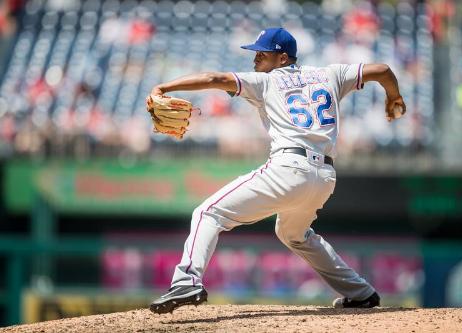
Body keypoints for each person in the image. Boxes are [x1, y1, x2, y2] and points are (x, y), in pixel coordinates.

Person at [148, 27, 406, 314]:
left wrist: (164, 88)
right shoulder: (330, 74)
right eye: (255, 52)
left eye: (263, 53)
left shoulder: (265, 82)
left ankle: (186, 281)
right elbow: (382, 70)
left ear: (283, 58)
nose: (256, 57)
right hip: (323, 178)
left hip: (289, 169)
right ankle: (360, 293)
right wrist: (393, 97)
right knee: (293, 234)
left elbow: (214, 78)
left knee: (209, 213)